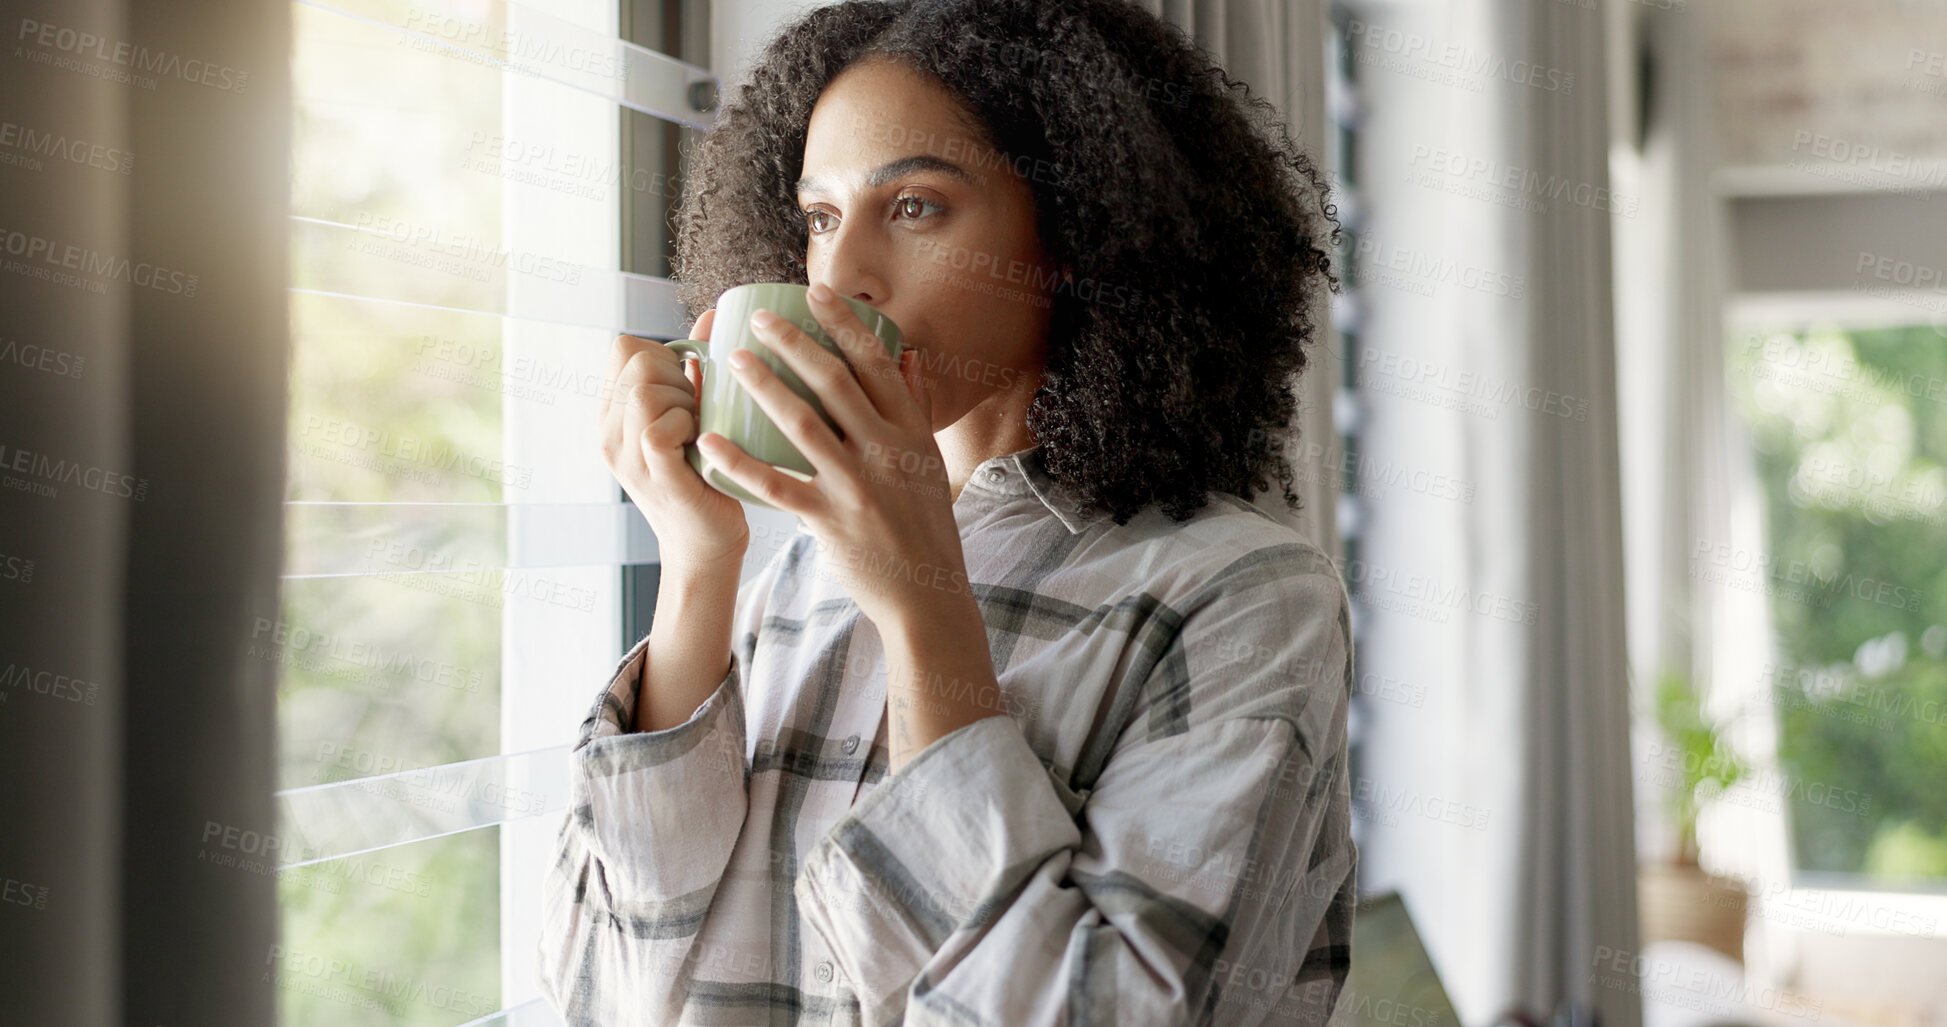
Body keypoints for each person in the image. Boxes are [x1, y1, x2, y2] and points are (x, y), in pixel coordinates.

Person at [538, 1, 1354, 1023]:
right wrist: (698, 570)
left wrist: (926, 615)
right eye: (821, 217)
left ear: (1074, 234)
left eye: (915, 206)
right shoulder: (796, 575)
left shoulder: (1242, 598)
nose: (838, 273)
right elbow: (600, 992)